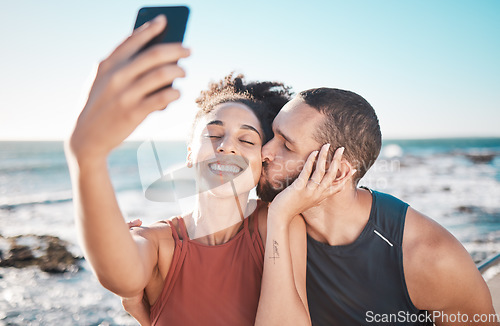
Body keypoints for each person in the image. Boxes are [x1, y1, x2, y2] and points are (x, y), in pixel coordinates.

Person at [66, 15, 338, 326]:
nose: (226, 146)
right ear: (190, 155)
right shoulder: (158, 242)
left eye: (246, 139)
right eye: (213, 134)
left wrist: (279, 216)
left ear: (262, 160)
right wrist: (87, 159)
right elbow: (119, 276)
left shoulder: (277, 224)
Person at [256, 88, 499, 325]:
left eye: (286, 146)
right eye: (272, 135)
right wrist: (279, 215)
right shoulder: (270, 220)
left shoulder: (430, 257)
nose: (264, 151)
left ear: (336, 173)